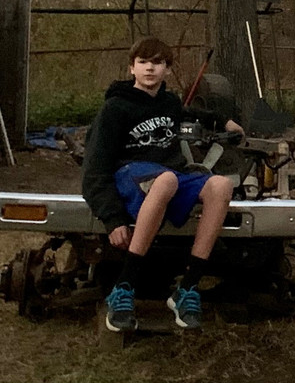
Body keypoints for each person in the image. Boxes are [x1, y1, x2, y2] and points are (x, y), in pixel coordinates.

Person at [81, 37, 244, 332]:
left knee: (220, 186)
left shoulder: (168, 103)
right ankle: (124, 287)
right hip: (131, 173)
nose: (149, 68)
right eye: (143, 62)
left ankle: (188, 287)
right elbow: (94, 170)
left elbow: (190, 113)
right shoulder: (115, 109)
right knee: (167, 179)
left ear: (167, 69)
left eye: (157, 63)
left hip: (165, 174)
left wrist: (223, 122)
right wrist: (112, 218)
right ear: (132, 68)